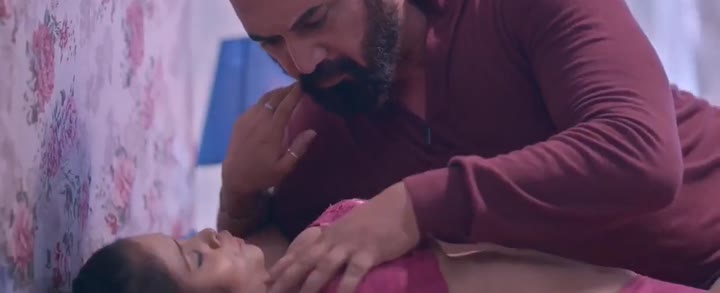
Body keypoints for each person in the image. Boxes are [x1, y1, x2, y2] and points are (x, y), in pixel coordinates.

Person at [193, 0, 720, 292]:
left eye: (315, 20)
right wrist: (239, 199)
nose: (302, 63)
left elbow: (641, 158)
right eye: (271, 43)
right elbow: (278, 276)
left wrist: (413, 207)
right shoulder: (320, 130)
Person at [72, 199, 705, 293]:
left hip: (615, 274)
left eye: (186, 236)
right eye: (194, 257)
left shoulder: (302, 251)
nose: (207, 235)